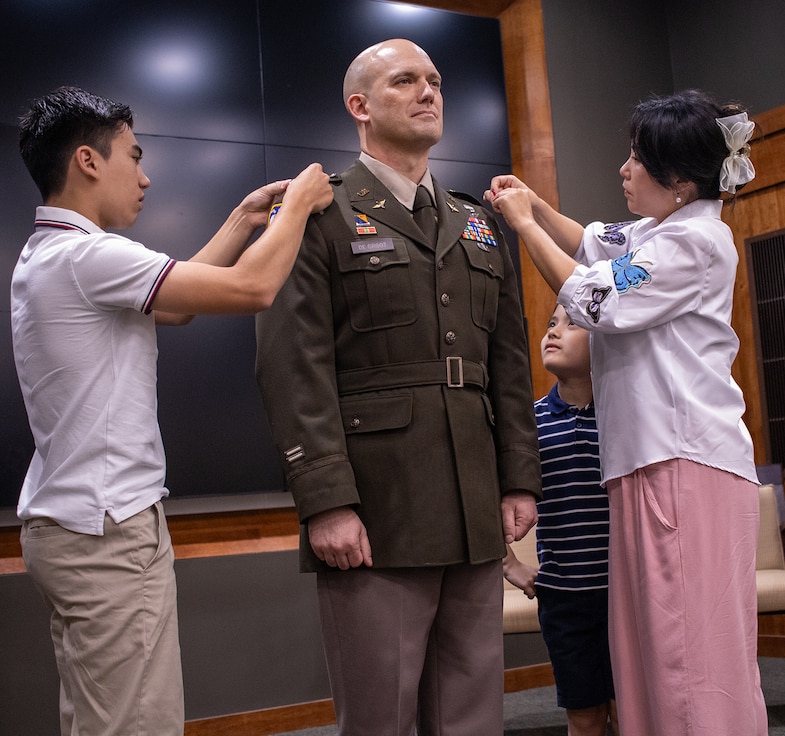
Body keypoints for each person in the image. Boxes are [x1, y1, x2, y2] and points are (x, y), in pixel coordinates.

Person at [11, 85, 333, 736]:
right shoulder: (86, 256)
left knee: (106, 719)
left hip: (84, 525)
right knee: (135, 726)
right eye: (133, 156)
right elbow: (252, 287)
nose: (146, 176)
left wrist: (244, 220)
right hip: (105, 532)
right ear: (87, 161)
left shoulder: (58, 254)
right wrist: (298, 204)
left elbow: (178, 302)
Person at [255, 39, 541, 736]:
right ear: (359, 106)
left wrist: (516, 480)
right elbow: (292, 367)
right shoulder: (315, 213)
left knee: (473, 712)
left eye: (435, 80)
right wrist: (325, 502)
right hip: (376, 506)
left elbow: (507, 363)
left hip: (472, 500)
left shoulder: (475, 222)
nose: (428, 92)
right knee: (381, 712)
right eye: (405, 80)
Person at [485, 89, 767, 735]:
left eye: (635, 159)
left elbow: (594, 301)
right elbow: (591, 241)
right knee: (650, 646)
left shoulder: (695, 242)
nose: (622, 170)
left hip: (682, 463)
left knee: (684, 652)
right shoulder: (659, 232)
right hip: (652, 463)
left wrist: (523, 224)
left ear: (677, 179)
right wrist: (531, 206)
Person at [503, 304, 617, 736]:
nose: (554, 331)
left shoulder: (625, 416)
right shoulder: (529, 425)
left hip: (629, 596)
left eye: (573, 325)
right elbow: (487, 498)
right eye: (552, 323)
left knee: (633, 709)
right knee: (584, 716)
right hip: (565, 603)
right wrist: (509, 563)